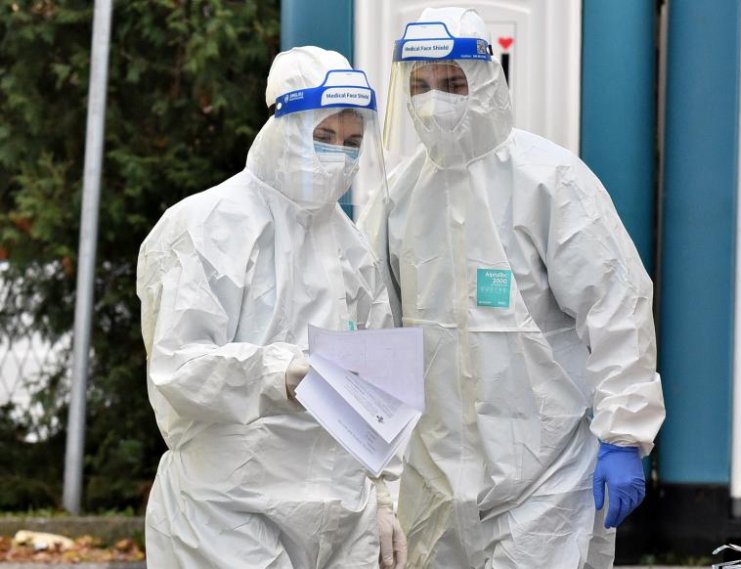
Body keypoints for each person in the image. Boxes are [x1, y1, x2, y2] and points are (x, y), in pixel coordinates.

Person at [358, 7, 666, 568]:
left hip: (546, 478)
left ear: (485, 81)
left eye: (453, 83)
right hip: (435, 483)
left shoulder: (550, 179)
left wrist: (624, 434)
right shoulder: (398, 196)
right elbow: (375, 330)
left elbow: (615, 305)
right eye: (420, 85)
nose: (434, 100)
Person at [137, 46, 406, 569]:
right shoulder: (206, 224)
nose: (339, 155)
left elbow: (382, 389)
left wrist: (382, 495)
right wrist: (279, 372)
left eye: (353, 143)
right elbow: (177, 369)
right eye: (324, 136)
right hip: (228, 513)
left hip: (341, 517)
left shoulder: (352, 247)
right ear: (284, 127)